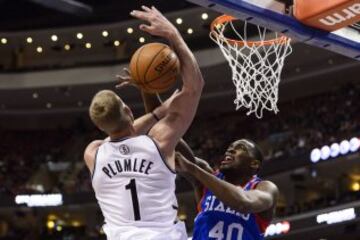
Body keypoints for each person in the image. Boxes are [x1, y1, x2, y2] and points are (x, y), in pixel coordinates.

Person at [83, 5, 204, 240]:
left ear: (99, 128)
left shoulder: (93, 153)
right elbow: (195, 86)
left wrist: (158, 112)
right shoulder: (159, 142)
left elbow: (117, 132)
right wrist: (172, 34)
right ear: (128, 110)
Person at [175, 139, 279, 240]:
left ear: (254, 163)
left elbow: (244, 203)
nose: (230, 150)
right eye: (230, 148)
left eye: (241, 148)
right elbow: (174, 145)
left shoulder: (265, 188)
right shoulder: (207, 179)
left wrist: (193, 169)